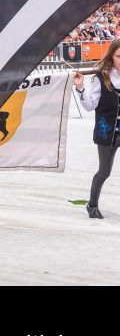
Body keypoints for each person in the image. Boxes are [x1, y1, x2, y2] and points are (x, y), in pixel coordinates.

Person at [74, 39, 120, 219]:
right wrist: (79, 87)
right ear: (111, 56)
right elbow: (90, 106)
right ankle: (92, 205)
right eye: (118, 56)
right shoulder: (101, 78)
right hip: (107, 132)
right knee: (104, 171)